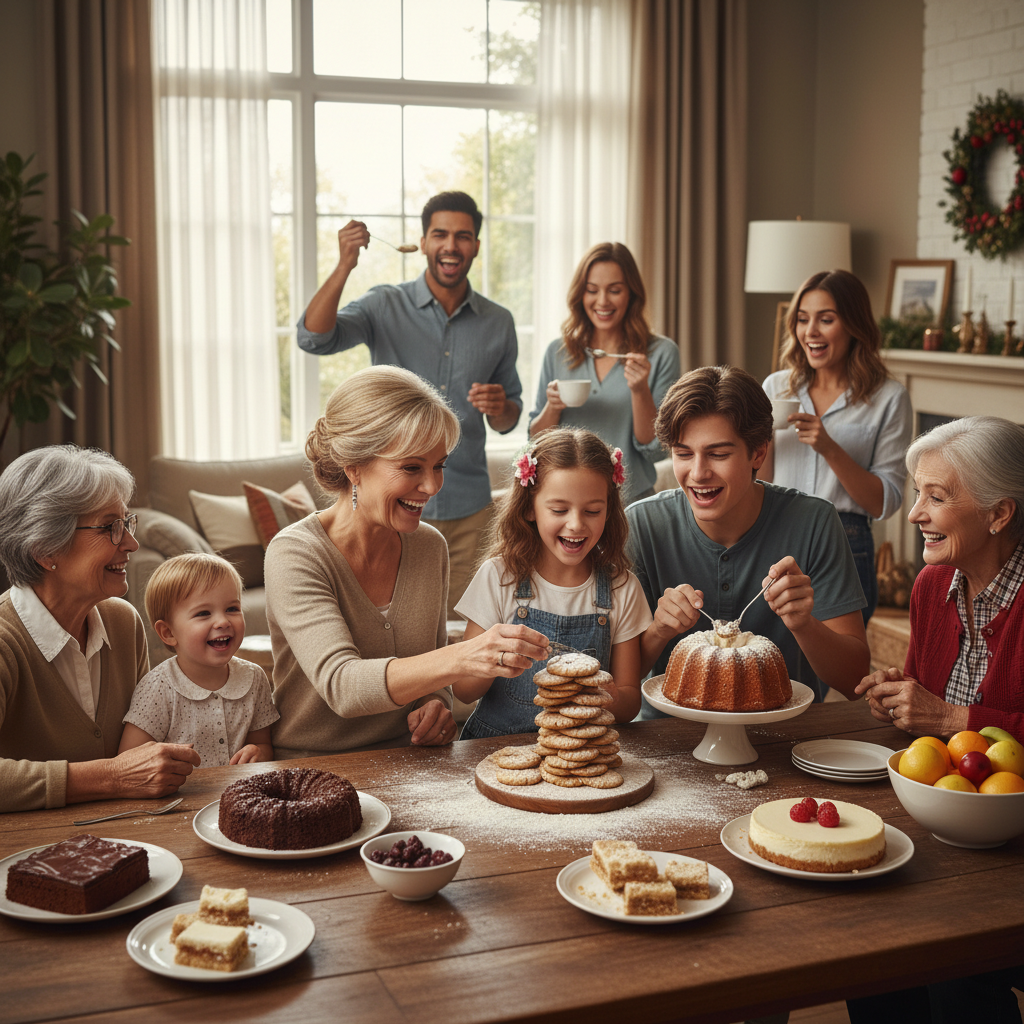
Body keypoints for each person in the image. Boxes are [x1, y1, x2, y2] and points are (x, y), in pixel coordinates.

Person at [265, 366, 549, 758]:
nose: (432, 486)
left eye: (439, 465)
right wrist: (464, 656)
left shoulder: (429, 546)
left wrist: (436, 706)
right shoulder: (295, 553)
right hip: (313, 764)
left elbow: (431, 677)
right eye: (412, 467)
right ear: (354, 466)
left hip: (410, 758)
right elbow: (343, 686)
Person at [297, 190, 522, 617]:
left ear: (476, 245)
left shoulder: (499, 322)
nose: (451, 245)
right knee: (394, 626)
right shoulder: (385, 304)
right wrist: (345, 264)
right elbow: (314, 337)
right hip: (389, 504)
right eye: (440, 234)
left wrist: (500, 406)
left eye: (463, 236)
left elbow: (511, 418)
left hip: (468, 511)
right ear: (422, 242)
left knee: (458, 629)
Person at [627, 365, 870, 708]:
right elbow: (613, 680)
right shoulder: (641, 525)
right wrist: (658, 631)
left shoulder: (815, 522)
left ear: (758, 453)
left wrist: (803, 624)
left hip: (788, 740)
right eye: (683, 454)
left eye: (718, 454)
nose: (698, 473)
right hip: (670, 738)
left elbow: (856, 681)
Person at [0, 445, 201, 813]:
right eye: (110, 527)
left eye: (126, 522)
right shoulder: (4, 641)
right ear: (46, 549)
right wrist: (112, 776)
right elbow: (124, 771)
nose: (131, 543)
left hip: (124, 834)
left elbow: (148, 739)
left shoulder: (122, 622)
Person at [454, 428, 651, 739]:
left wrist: (606, 692)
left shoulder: (622, 588)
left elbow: (628, 705)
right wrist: (495, 657)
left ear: (609, 511)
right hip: (493, 749)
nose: (575, 523)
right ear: (530, 508)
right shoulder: (498, 577)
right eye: (559, 510)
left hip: (579, 753)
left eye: (593, 511)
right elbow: (463, 691)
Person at [856, 416, 1024, 742]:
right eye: (919, 493)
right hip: (939, 785)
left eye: (936, 497)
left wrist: (949, 718)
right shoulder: (931, 584)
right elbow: (926, 703)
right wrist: (900, 697)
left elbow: (942, 716)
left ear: (999, 514)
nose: (913, 514)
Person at [760, 269, 913, 623]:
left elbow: (884, 501)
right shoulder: (777, 387)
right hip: (777, 530)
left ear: (853, 325)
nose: (810, 331)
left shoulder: (889, 397)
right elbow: (760, 480)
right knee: (770, 656)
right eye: (802, 319)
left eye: (826, 319)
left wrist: (830, 447)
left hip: (847, 539)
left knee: (840, 663)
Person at [529, 242, 680, 503]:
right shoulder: (558, 352)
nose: (602, 301)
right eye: (592, 290)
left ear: (631, 293)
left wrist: (640, 390)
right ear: (581, 295)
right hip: (566, 501)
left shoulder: (661, 353)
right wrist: (552, 408)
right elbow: (535, 444)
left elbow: (656, 451)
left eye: (615, 290)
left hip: (631, 502)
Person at [119, 553, 279, 766]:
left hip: (241, 793)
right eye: (203, 613)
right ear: (168, 632)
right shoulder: (157, 688)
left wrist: (258, 753)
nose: (222, 621)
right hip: (180, 798)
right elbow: (128, 762)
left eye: (232, 609)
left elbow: (263, 744)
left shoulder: (254, 678)